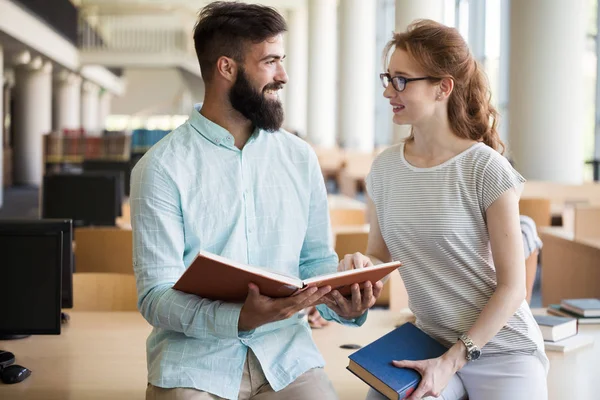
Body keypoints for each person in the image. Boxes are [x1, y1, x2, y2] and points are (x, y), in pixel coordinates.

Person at [130, 2, 383, 400]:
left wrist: (344, 305)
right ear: (226, 68)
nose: (283, 75)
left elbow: (315, 263)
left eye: (281, 60)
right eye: (270, 61)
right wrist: (238, 318)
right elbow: (155, 296)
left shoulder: (299, 159)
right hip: (195, 364)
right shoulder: (160, 168)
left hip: (287, 360)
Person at [344, 20, 548, 400]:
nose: (389, 90)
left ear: (443, 87)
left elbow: (513, 287)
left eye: (402, 80)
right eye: (388, 78)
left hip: (502, 349)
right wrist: (361, 268)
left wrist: (454, 359)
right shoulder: (384, 169)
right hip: (428, 342)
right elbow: (378, 255)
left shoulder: (486, 169)